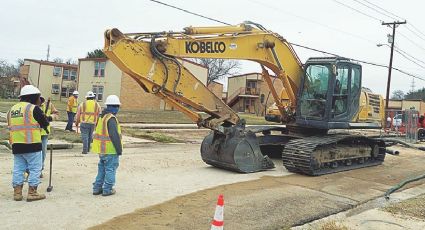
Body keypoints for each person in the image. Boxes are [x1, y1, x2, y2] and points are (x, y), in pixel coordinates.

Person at [7, 85, 49, 202]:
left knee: (18, 169)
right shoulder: (33, 108)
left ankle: (17, 193)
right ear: (33, 97)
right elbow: (44, 122)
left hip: (16, 145)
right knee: (35, 168)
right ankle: (32, 192)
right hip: (32, 145)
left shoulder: (12, 110)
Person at [92, 95, 122, 196]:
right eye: (117, 106)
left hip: (102, 150)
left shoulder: (102, 117)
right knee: (110, 169)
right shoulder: (111, 119)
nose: (118, 109)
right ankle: (108, 189)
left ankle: (97, 188)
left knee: (102, 169)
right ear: (115, 107)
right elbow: (114, 136)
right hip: (110, 150)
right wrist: (119, 150)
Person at [39, 96, 59, 177]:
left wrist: (50, 117)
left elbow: (56, 113)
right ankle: (31, 170)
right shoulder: (31, 104)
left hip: (44, 133)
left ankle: (39, 170)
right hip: (32, 133)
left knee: (42, 153)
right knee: (33, 153)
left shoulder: (48, 104)